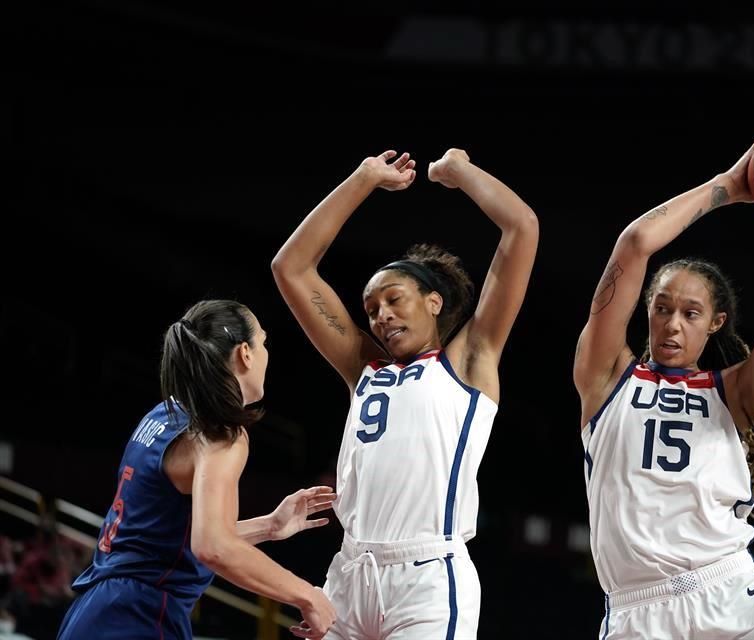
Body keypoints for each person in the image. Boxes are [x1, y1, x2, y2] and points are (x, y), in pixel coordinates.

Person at [574, 131, 754, 639]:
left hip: (730, 594)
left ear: (716, 323)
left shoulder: (735, 392)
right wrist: (727, 185)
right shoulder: (605, 376)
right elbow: (635, 244)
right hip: (638, 612)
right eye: (662, 308)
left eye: (690, 312)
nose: (673, 323)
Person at [272, 147, 538, 639]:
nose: (381, 315)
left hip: (427, 575)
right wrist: (363, 177)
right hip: (350, 572)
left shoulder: (469, 360)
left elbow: (522, 228)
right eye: (372, 308)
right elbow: (291, 268)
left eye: (394, 299)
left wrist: (461, 172)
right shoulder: (364, 367)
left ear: (434, 301)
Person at [56, 299, 337, 639]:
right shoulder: (220, 434)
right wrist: (307, 594)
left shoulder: (163, 415)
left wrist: (269, 526)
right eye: (264, 343)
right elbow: (213, 547)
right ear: (245, 353)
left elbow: (172, 539)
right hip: (138, 616)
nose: (266, 355)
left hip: (96, 612)